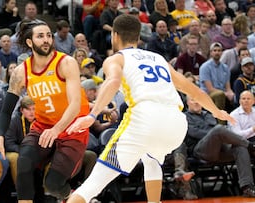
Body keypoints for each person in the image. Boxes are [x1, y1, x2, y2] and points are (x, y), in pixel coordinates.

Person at [62, 14, 234, 203]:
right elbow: (190, 88)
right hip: (175, 124)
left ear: (115, 36)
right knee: (151, 157)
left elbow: (112, 81)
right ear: (138, 37)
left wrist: (92, 114)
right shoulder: (158, 58)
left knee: (93, 184)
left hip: (146, 119)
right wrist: (217, 111)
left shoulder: (116, 59)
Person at [0, 19, 90, 202]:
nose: (46, 39)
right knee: (23, 162)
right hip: (43, 126)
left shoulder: (66, 63)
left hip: (72, 128)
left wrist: (56, 130)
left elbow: (75, 105)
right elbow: (7, 110)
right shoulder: (20, 72)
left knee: (53, 185)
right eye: (40, 36)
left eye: (49, 35)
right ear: (30, 42)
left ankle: (71, 196)